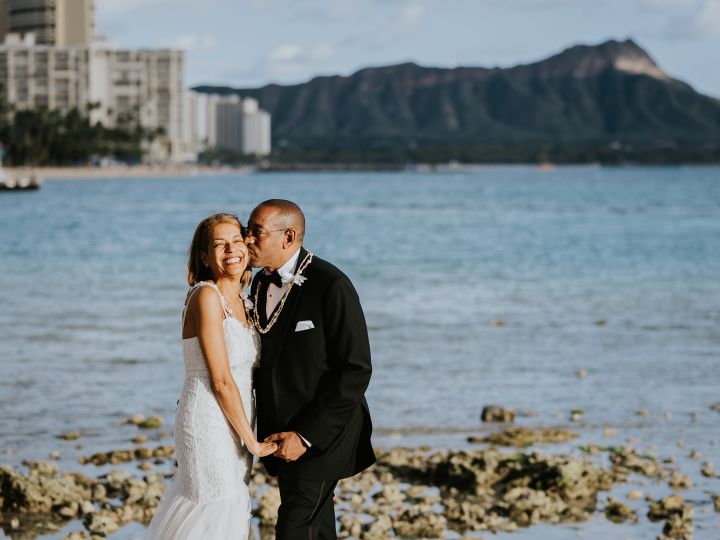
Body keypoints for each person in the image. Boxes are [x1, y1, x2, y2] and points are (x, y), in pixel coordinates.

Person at [246, 199, 375, 540]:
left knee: (294, 527)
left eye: (256, 233)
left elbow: (355, 369)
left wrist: (306, 437)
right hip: (278, 432)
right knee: (316, 528)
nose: (247, 240)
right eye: (248, 231)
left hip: (323, 434)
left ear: (288, 237)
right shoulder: (258, 284)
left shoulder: (331, 285)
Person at [146, 213, 277, 539]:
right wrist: (254, 444)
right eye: (219, 244)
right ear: (204, 256)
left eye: (236, 241)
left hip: (235, 422)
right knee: (213, 510)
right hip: (207, 421)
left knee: (227, 513)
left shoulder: (245, 302)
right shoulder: (206, 296)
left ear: (247, 245)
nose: (230, 250)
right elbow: (219, 379)